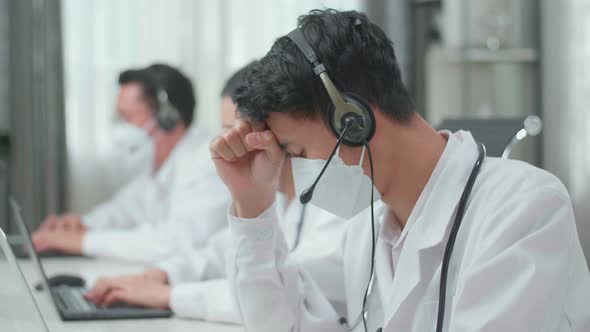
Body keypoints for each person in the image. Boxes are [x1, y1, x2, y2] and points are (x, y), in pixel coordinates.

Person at [209, 9, 590, 332]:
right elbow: (285, 323)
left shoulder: (522, 208)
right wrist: (252, 203)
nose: (298, 169)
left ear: (352, 122)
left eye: (298, 151)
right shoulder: (369, 229)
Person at [82, 63, 357, 323]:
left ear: (274, 132)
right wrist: (161, 276)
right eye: (225, 131)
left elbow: (283, 294)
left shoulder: (336, 201)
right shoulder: (282, 195)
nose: (223, 143)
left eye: (234, 131)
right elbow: (220, 251)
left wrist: (170, 296)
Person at [32, 64, 229, 262]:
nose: (121, 127)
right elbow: (124, 210)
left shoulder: (208, 163)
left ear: (167, 117)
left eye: (127, 117)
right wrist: (83, 225)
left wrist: (83, 242)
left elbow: (172, 243)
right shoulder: (159, 166)